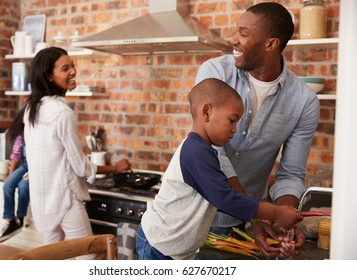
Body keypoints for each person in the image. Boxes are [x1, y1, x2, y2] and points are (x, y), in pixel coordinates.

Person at [195, 2, 320, 258]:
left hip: (244, 226)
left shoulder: (304, 101)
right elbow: (211, 151)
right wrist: (255, 213)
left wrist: (284, 221)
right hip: (193, 217)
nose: (233, 40)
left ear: (271, 44)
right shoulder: (215, 73)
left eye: (243, 33)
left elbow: (291, 173)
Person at [136, 78, 303, 260]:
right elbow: (225, 199)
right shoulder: (195, 152)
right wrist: (276, 212)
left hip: (176, 250)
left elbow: (224, 195)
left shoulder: (206, 151)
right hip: (158, 246)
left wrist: (258, 219)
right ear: (207, 112)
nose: (234, 129)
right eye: (232, 120)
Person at [23, 47, 131, 255]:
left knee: (50, 259)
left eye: (73, 65)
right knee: (89, 257)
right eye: (65, 68)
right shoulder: (63, 113)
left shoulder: (31, 110)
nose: (73, 71)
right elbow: (81, 166)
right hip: (65, 201)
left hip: (42, 202)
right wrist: (115, 168)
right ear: (49, 76)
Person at [0, 107, 29, 243]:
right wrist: (10, 175)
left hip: (35, 168)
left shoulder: (38, 134)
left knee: (23, 187)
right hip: (25, 165)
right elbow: (15, 156)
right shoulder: (21, 136)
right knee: (8, 186)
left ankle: (20, 219)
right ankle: (10, 220)